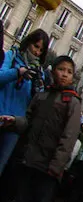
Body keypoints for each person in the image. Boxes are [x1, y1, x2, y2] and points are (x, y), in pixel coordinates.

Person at [0, 56, 82, 202]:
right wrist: (14, 122)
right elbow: (28, 120)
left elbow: (69, 138)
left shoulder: (72, 102)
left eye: (69, 71)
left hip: (48, 168)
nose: (64, 74)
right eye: (61, 69)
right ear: (53, 71)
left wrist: (57, 167)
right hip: (29, 161)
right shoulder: (42, 95)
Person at [0, 29, 50, 176]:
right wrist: (18, 72)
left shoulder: (39, 71)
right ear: (28, 43)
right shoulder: (13, 55)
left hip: (15, 124)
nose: (37, 52)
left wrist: (39, 86)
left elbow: (38, 102)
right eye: (36, 46)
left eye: (41, 50)